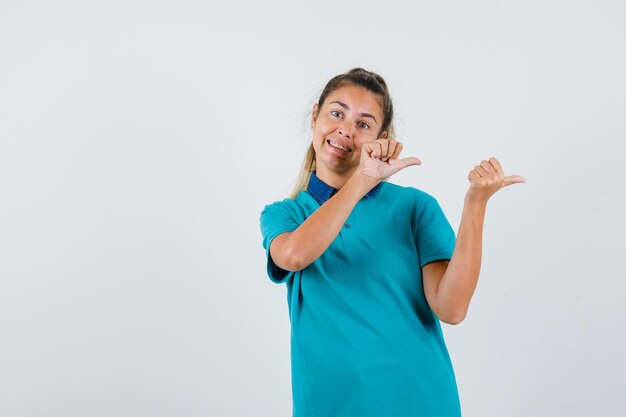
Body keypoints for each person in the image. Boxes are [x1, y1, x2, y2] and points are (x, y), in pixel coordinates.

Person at [259, 67, 526, 417]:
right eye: (337, 113)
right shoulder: (284, 216)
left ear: (380, 137)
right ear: (315, 115)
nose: (345, 130)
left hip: (418, 401)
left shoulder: (414, 208)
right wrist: (361, 181)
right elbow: (293, 256)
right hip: (328, 405)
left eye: (363, 124)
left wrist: (475, 205)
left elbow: (452, 308)